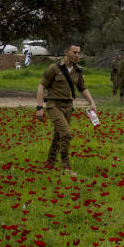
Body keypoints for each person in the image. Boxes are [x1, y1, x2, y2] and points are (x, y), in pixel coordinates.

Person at [35, 44, 97, 174]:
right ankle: (66, 166)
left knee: (58, 136)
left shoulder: (78, 70)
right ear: (66, 52)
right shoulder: (54, 68)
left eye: (79, 53)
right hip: (54, 105)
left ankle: (50, 164)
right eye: (74, 52)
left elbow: (83, 88)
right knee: (66, 134)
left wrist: (91, 102)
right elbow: (41, 86)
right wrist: (39, 107)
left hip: (68, 107)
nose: (77, 55)